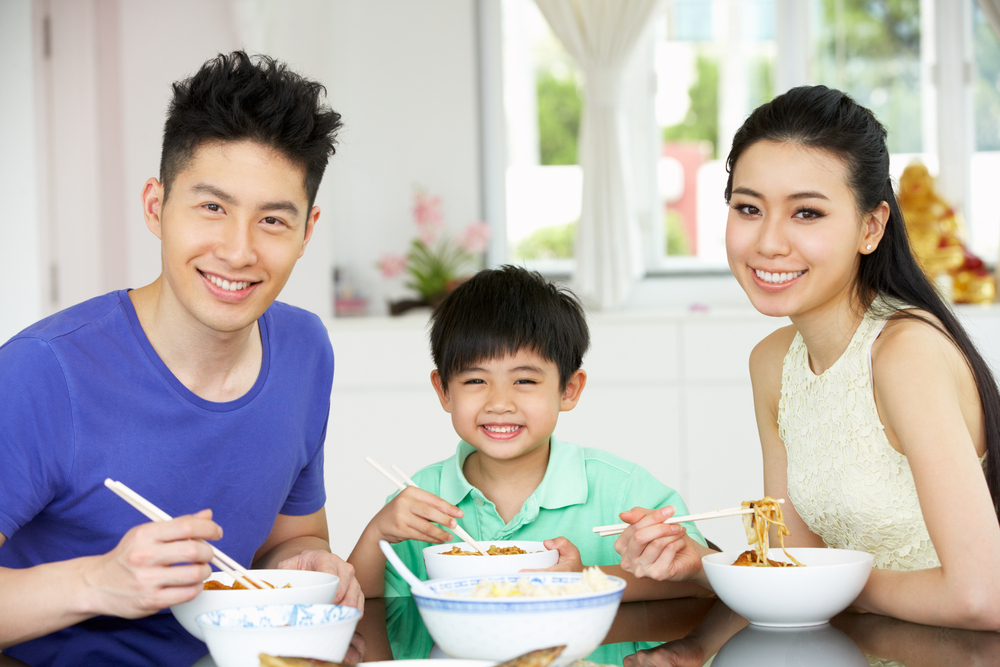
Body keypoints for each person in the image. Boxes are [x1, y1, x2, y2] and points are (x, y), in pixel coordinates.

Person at [0, 51, 363, 665]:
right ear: (155, 206)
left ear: (307, 232)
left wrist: (302, 564)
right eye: (212, 207)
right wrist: (98, 582)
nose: (239, 251)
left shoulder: (305, 351)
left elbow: (291, 536)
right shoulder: (42, 372)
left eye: (273, 219)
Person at [614, 85, 1000, 631]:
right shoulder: (773, 363)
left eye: (807, 213)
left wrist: (841, 585)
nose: (769, 242)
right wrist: (700, 566)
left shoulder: (905, 353)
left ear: (871, 227)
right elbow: (792, 562)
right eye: (748, 208)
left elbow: (982, 596)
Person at [348, 265, 708, 599]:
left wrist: (584, 581)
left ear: (568, 389)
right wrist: (377, 533)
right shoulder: (420, 500)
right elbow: (360, 606)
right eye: (475, 380)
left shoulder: (623, 489)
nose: (499, 402)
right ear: (444, 391)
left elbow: (696, 580)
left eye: (524, 380)